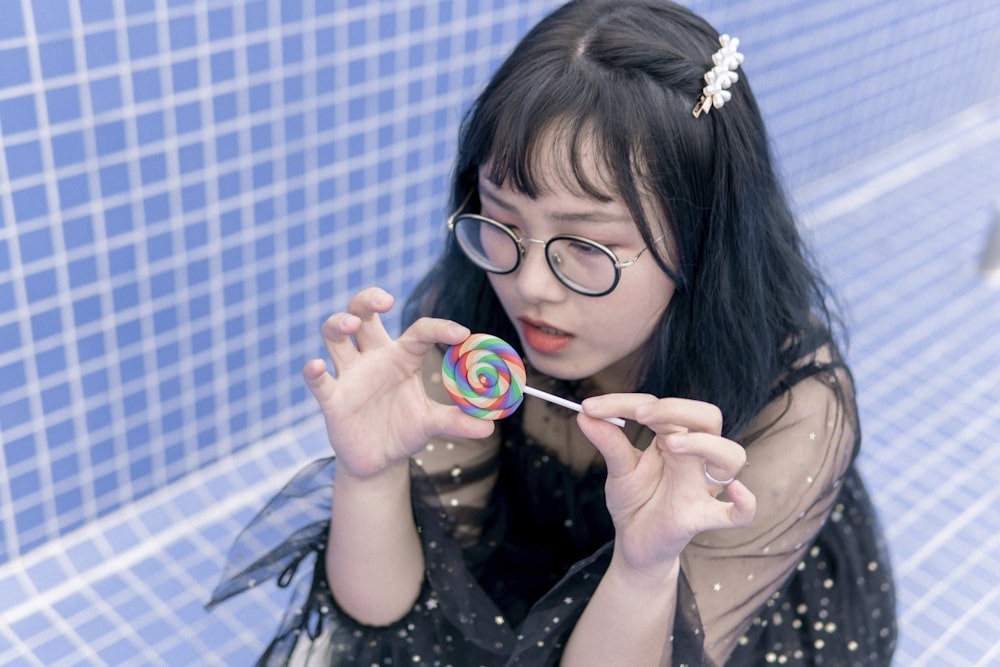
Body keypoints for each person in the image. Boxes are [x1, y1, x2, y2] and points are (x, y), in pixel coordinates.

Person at [209, 1, 897, 664]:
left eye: (586, 246)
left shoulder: (791, 411)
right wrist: (370, 473)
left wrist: (644, 566)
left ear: (702, 243)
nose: (530, 286)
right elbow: (384, 613)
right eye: (503, 219)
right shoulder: (472, 325)